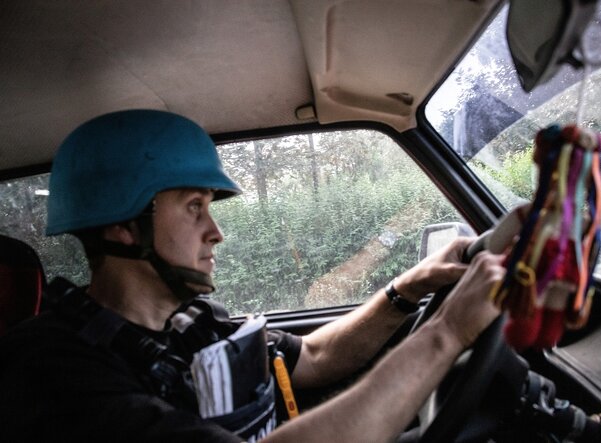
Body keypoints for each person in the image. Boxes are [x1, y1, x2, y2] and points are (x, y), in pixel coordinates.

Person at [0, 110, 504, 442]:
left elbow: (317, 357)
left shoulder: (192, 323)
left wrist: (408, 288)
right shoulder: (46, 367)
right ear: (123, 226)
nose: (216, 232)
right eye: (194, 207)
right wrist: (447, 334)